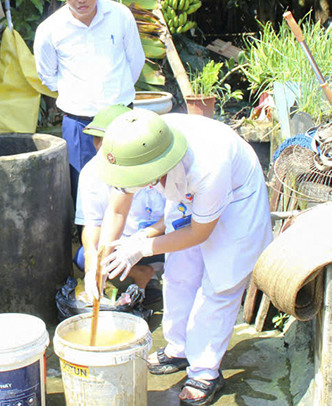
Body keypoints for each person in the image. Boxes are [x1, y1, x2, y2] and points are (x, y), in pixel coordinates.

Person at [88, 109, 272, 406]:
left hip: (237, 198)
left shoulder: (208, 164)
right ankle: (179, 348)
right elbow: (118, 210)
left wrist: (142, 247)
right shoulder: (134, 148)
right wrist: (100, 259)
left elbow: (199, 233)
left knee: (219, 286)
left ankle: (205, 370)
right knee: (179, 272)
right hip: (188, 193)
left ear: (154, 168)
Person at [33, 0, 144, 197]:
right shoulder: (50, 29)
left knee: (128, 182)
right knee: (84, 186)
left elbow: (135, 61)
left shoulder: (120, 16)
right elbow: (46, 75)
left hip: (121, 116)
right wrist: (77, 96)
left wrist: (117, 93)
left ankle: (126, 233)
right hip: (78, 122)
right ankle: (87, 234)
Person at [75, 104, 165, 303]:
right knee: (83, 257)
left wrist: (140, 240)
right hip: (118, 242)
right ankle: (141, 274)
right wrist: (93, 262)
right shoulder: (91, 173)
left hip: (159, 239)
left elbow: (176, 216)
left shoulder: (153, 166)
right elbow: (94, 222)